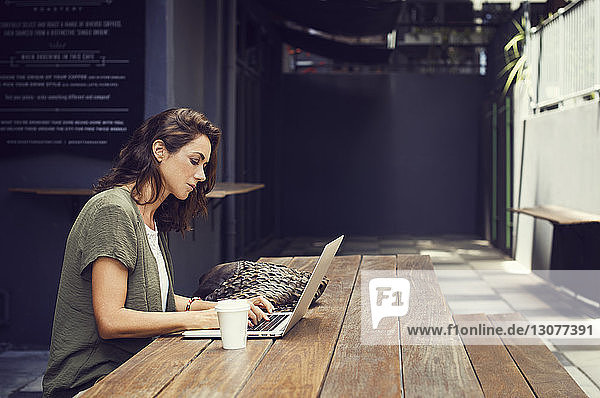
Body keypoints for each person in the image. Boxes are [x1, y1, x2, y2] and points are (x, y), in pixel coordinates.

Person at [43, 108, 273, 398]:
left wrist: (229, 308)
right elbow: (112, 321)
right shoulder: (113, 211)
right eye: (194, 161)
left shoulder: (151, 216)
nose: (201, 175)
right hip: (94, 382)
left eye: (205, 165)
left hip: (139, 366)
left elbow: (152, 299)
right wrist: (202, 320)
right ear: (159, 150)